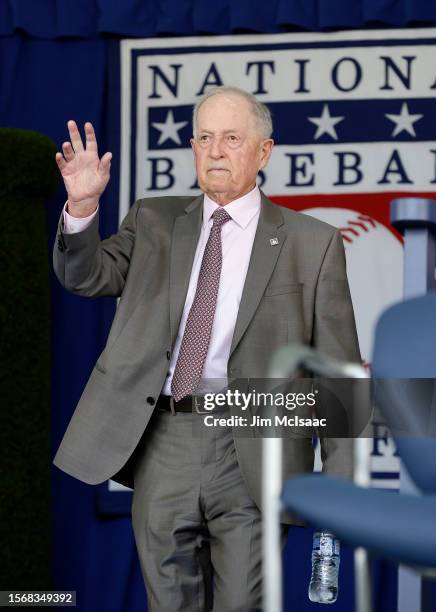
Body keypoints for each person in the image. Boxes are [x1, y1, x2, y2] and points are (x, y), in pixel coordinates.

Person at [53, 86, 361, 611]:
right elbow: (86, 277)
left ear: (263, 152)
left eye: (232, 139)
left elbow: (336, 377)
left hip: (257, 442)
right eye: (204, 138)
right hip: (163, 440)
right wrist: (81, 209)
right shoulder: (152, 220)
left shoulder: (314, 243)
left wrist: (338, 492)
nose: (215, 151)